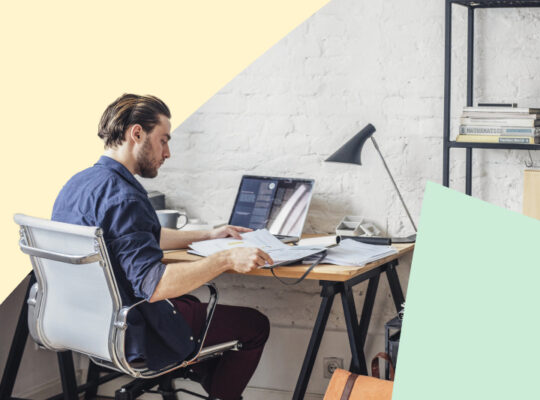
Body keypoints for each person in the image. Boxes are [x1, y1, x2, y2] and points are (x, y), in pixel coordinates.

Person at [52, 93, 273, 400]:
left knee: (192, 307)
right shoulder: (125, 196)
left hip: (87, 322)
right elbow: (153, 286)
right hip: (132, 327)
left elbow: (140, 236)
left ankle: (203, 372)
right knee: (254, 325)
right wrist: (226, 258)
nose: (167, 152)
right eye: (163, 140)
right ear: (137, 133)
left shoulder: (79, 184)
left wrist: (209, 235)